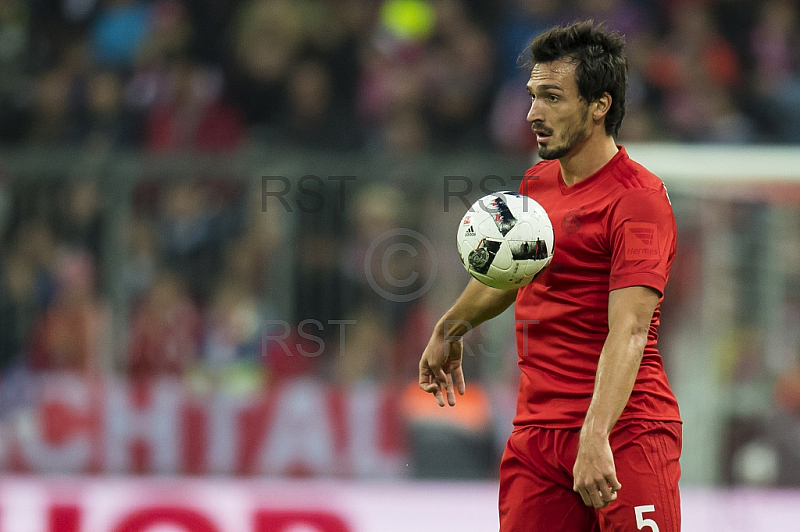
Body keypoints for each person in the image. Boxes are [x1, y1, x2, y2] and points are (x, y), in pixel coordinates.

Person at [418, 21, 682, 531]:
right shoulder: (537, 183)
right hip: (538, 436)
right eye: (532, 95)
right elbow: (509, 276)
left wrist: (595, 433)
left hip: (623, 430)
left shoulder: (638, 200)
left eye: (552, 97)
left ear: (599, 105)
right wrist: (450, 326)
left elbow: (628, 330)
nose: (532, 114)